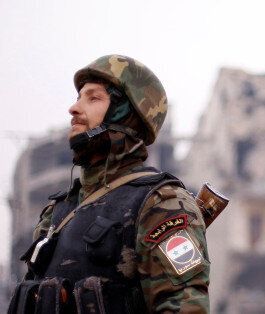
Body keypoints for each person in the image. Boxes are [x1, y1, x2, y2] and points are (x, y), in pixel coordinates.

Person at [9, 55, 210, 313]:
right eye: (79, 97)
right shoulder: (57, 212)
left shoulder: (163, 203)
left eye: (93, 98)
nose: (74, 108)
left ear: (125, 115)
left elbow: (186, 307)